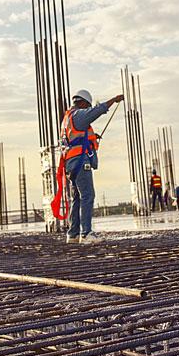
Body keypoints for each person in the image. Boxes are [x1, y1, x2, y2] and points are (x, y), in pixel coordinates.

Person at [58, 89, 123, 244]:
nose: (87, 108)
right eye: (87, 106)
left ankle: (73, 234)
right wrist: (113, 99)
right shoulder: (78, 115)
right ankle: (86, 233)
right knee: (88, 196)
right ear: (82, 103)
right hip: (80, 162)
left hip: (70, 164)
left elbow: (76, 138)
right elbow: (96, 111)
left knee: (77, 198)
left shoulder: (67, 118)